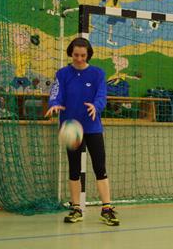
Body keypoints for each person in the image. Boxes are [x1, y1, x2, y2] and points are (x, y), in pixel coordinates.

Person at [45, 38, 119, 226]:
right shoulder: (63, 74)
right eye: (76, 55)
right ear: (71, 53)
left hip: (93, 128)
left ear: (88, 55)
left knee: (100, 168)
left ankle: (107, 209)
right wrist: (54, 104)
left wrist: (96, 106)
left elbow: (101, 95)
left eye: (83, 55)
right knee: (74, 169)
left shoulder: (97, 74)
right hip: (71, 129)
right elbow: (56, 94)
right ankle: (76, 208)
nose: (79, 58)